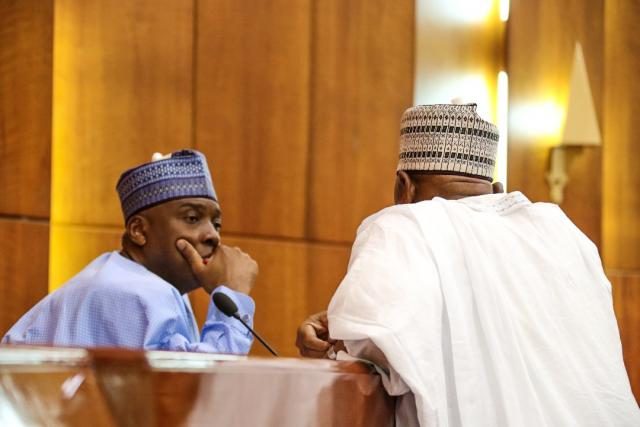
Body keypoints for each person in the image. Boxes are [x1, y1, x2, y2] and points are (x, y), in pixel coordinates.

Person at [296, 104, 640, 426]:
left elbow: (369, 362)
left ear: (403, 186)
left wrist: (329, 344)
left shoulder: (403, 225)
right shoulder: (564, 233)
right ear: (496, 190)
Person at [3, 149, 258, 354]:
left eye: (216, 224)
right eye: (192, 218)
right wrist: (232, 296)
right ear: (139, 231)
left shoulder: (136, 280)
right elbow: (192, 396)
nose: (212, 235)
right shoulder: (132, 291)